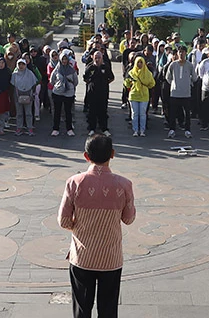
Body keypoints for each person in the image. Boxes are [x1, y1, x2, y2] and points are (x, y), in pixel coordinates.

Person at [58, 134, 136, 318]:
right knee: (108, 309)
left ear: (86, 156)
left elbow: (63, 220)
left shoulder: (74, 183)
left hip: (82, 256)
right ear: (112, 154)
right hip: (111, 257)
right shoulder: (124, 184)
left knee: (82, 309)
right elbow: (128, 219)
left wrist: (80, 227)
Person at [164, 45, 194, 139]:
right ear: (177, 53)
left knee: (187, 114)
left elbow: (194, 77)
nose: (181, 54)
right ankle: (172, 129)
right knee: (173, 113)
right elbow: (168, 78)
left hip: (186, 93)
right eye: (179, 52)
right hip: (175, 93)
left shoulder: (190, 65)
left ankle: (187, 130)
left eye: (183, 52)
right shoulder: (173, 65)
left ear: (186, 53)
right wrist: (175, 84)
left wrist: (187, 83)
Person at [83, 49, 115, 136]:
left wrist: (104, 83)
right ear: (93, 58)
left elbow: (112, 78)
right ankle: (91, 128)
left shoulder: (106, 67)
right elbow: (85, 78)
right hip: (92, 93)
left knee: (103, 111)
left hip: (103, 93)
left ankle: (104, 128)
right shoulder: (90, 67)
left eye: (99, 57)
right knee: (92, 111)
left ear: (102, 58)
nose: (97, 59)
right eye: (96, 57)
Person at [51, 49, 80, 136]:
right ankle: (56, 129)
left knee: (68, 112)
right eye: (63, 59)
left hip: (68, 93)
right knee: (57, 112)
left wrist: (69, 87)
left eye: (66, 59)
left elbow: (76, 82)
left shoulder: (71, 70)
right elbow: (52, 80)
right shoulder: (57, 69)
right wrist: (59, 85)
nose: (64, 61)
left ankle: (69, 129)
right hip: (58, 92)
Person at [124, 56, 154, 138]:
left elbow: (152, 83)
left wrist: (144, 84)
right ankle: (135, 130)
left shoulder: (148, 73)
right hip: (134, 95)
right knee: (135, 113)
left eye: (141, 62)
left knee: (142, 114)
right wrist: (130, 83)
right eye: (138, 62)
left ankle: (142, 130)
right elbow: (126, 83)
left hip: (144, 96)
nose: (140, 64)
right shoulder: (131, 73)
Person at [11, 58, 38, 136]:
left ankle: (30, 128)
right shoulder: (14, 74)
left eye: (23, 64)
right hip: (17, 94)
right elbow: (13, 85)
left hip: (28, 95)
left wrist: (31, 94)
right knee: (19, 113)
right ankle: (19, 127)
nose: (21, 66)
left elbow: (34, 84)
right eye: (19, 64)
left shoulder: (30, 73)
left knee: (28, 113)